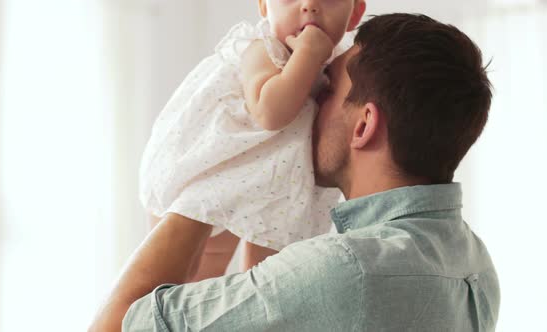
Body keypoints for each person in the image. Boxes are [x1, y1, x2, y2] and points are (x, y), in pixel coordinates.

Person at [91, 13, 500, 331]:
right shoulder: (476, 267)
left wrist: (210, 182)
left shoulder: (341, 271)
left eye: (325, 88)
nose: (307, 101)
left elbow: (121, 326)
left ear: (363, 126)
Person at [138, 0, 365, 283]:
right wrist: (307, 54)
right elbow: (271, 113)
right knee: (194, 263)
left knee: (268, 274)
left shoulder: (338, 63)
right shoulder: (264, 49)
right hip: (224, 163)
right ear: (263, 7)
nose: (309, 5)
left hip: (280, 177)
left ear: (354, 13)